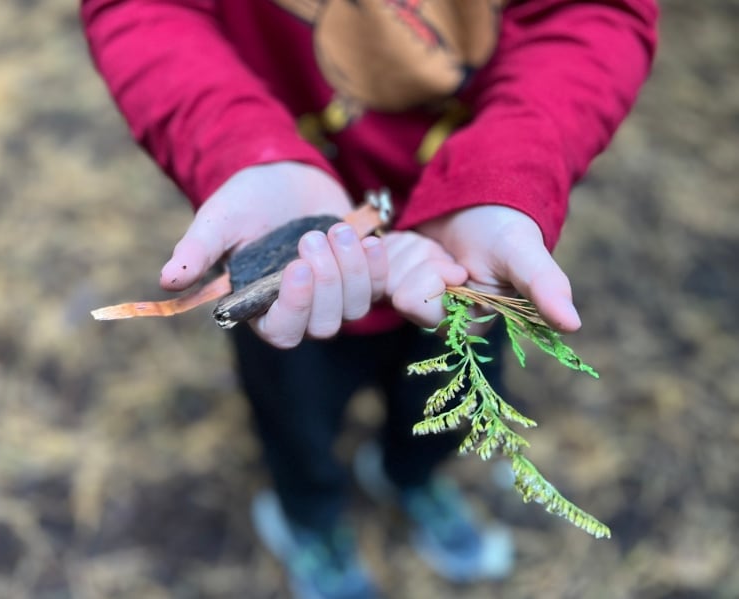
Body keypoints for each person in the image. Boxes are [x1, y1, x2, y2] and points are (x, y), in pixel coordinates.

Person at [80, 1, 658, 597]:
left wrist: (507, 177)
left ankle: (413, 477)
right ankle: (309, 520)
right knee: (294, 419)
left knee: (446, 400)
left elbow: (593, 16)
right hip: (294, 262)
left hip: (464, 264)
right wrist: (240, 146)